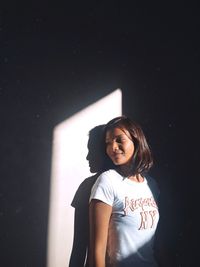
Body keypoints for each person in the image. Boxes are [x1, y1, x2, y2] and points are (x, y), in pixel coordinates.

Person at [89, 116, 160, 267]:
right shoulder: (108, 181)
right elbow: (97, 250)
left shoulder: (152, 185)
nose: (113, 147)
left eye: (119, 140)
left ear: (136, 140)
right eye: (108, 143)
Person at [69, 125, 106, 267]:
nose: (87, 157)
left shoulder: (87, 187)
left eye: (92, 150)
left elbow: (78, 248)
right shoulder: (86, 187)